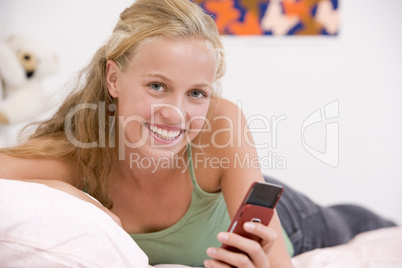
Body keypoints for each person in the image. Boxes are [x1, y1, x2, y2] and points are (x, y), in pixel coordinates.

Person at [0, 0, 395, 267]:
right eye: (157, 86)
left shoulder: (220, 125)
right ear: (114, 78)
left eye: (196, 94)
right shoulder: (73, 159)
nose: (175, 114)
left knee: (376, 228)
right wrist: (72, 196)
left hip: (298, 224)